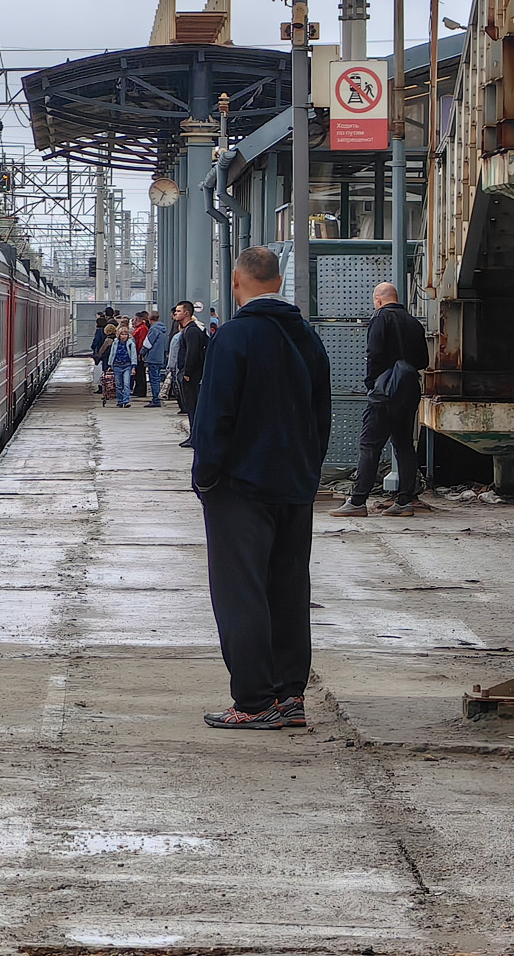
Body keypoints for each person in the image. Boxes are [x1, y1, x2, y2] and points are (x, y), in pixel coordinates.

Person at [189, 246, 331, 730]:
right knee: (289, 590)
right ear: (278, 281)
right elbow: (321, 418)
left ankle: (253, 701)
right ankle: (290, 695)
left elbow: (214, 417)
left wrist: (206, 476)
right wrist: (308, 472)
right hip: (295, 486)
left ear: (236, 282)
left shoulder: (233, 338)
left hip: (240, 488)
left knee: (241, 592)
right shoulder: (308, 339)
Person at [334, 282, 431, 518]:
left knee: (370, 444)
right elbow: (423, 360)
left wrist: (371, 384)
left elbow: (374, 354)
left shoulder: (380, 318)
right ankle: (405, 500)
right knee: (404, 444)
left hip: (384, 392)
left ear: (378, 299)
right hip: (408, 390)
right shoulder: (413, 323)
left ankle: (358, 501)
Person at [173, 301, 209, 446]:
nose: (176, 313)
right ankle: (194, 436)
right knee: (190, 405)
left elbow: (192, 352)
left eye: (178, 311)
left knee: (193, 405)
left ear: (187, 313)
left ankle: (195, 437)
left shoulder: (192, 331)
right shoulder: (189, 330)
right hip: (190, 373)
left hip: (191, 374)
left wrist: (187, 372)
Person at [142, 311, 170, 407]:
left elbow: (148, 343)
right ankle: (157, 398)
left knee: (153, 379)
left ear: (150, 320)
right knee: (157, 379)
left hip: (152, 357)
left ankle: (155, 399)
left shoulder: (153, 329)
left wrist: (142, 352)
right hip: (160, 357)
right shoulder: (163, 329)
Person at [109, 320, 138, 406]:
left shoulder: (130, 344)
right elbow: (112, 353)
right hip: (117, 365)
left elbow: (133, 354)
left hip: (127, 365)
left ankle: (126, 400)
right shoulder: (115, 343)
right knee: (118, 385)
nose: (124, 336)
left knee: (126, 384)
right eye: (122, 334)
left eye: (125, 334)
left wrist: (133, 366)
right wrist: (110, 364)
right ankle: (120, 400)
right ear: (119, 335)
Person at [132, 311, 152, 399]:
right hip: (136, 352)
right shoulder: (139, 328)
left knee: (140, 372)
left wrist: (140, 353)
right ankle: (138, 389)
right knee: (138, 372)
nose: (134, 321)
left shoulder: (142, 328)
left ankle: (141, 390)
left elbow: (141, 341)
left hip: (138, 353)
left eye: (136, 319)